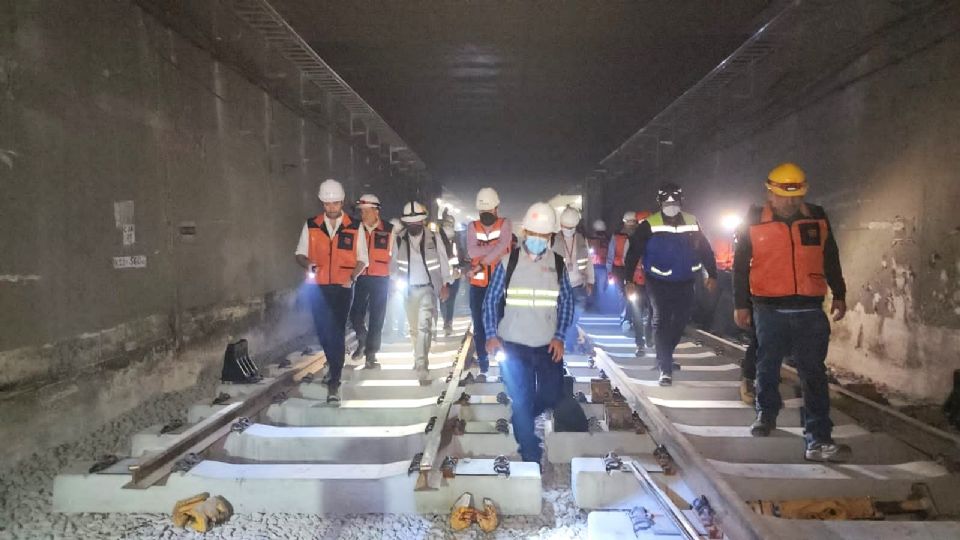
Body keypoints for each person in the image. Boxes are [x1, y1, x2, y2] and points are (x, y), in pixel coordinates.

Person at [733, 162, 850, 463]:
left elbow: (830, 256)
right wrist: (741, 304)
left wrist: (839, 293)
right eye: (784, 196)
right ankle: (766, 413)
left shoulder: (817, 218)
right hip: (768, 308)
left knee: (813, 373)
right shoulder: (754, 220)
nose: (790, 202)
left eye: (796, 196)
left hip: (809, 309)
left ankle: (819, 438)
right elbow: (740, 265)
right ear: (770, 193)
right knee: (767, 365)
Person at [484, 202, 574, 465]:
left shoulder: (558, 264)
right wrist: (491, 334)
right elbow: (490, 301)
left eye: (543, 236)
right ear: (524, 232)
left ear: (551, 237)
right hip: (514, 345)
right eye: (533, 234)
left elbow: (567, 302)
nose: (537, 240)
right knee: (522, 398)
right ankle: (531, 453)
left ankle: (520, 418)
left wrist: (559, 336)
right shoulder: (508, 262)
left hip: (547, 345)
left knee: (550, 395)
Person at [624, 183, 717, 386]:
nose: (671, 205)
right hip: (657, 281)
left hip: (685, 280)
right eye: (667, 201)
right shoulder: (649, 224)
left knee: (681, 321)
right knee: (661, 320)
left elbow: (705, 250)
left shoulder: (692, 222)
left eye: (675, 201)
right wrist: (628, 279)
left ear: (681, 201)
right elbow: (633, 253)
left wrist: (712, 273)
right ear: (660, 203)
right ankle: (665, 368)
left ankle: (665, 353)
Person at [295, 179, 368, 405]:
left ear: (342, 202)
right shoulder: (311, 225)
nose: (331, 208)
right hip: (318, 287)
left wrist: (352, 276)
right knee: (323, 331)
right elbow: (299, 253)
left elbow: (362, 259)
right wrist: (307, 264)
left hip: (343, 286)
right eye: (327, 204)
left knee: (335, 329)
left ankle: (334, 378)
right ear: (322, 203)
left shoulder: (355, 227)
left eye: (335, 203)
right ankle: (333, 362)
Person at [391, 201, 453, 380]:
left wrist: (445, 284)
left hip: (428, 288)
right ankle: (418, 358)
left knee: (424, 326)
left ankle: (421, 365)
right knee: (414, 330)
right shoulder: (399, 238)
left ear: (422, 222)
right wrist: (393, 282)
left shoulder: (433, 238)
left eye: (416, 222)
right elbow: (393, 263)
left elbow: (442, 260)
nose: (413, 226)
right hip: (408, 290)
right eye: (410, 223)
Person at [466, 187, 513, 377]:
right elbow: (471, 251)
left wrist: (483, 260)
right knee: (479, 324)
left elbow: (503, 247)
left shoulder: (505, 224)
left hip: (500, 284)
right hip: (478, 285)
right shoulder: (472, 227)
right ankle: (484, 361)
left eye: (488, 211)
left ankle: (504, 363)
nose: (485, 214)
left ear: (496, 209)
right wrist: (495, 249)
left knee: (502, 323)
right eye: (482, 212)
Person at [348, 194, 393, 370]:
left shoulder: (389, 229)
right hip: (360, 276)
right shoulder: (355, 229)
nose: (363, 215)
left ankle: (371, 354)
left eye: (366, 211)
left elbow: (394, 255)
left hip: (381, 277)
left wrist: (395, 276)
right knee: (355, 313)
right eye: (361, 212)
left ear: (376, 211)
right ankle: (363, 337)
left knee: (377, 317)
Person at [554, 207, 595, 354]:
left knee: (573, 318)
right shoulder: (553, 240)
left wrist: (590, 281)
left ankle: (567, 343)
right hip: (560, 286)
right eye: (566, 227)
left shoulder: (581, 240)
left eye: (571, 228)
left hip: (579, 285)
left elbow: (589, 261)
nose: (568, 230)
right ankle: (567, 344)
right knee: (563, 317)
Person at [627, 211, 654, 355]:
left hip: (652, 282)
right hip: (637, 282)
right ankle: (640, 343)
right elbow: (628, 260)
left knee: (652, 312)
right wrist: (628, 280)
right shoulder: (632, 239)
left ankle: (649, 337)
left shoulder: (657, 240)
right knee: (637, 313)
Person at [607, 211, 639, 325]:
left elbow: (611, 254)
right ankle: (628, 317)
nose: (631, 224)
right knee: (629, 294)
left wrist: (609, 271)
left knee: (623, 294)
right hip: (628, 269)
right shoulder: (638, 235)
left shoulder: (617, 236)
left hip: (621, 269)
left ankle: (626, 316)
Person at [438, 210, 463, 336]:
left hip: (455, 274)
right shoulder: (437, 238)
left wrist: (459, 268)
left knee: (451, 299)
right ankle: (445, 320)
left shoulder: (457, 239)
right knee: (443, 299)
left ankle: (448, 322)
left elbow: (461, 254)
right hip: (442, 274)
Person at [587, 219, 610, 301]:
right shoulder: (608, 240)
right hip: (603, 267)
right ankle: (600, 303)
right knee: (601, 288)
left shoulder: (589, 240)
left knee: (591, 286)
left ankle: (591, 303)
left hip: (592, 266)